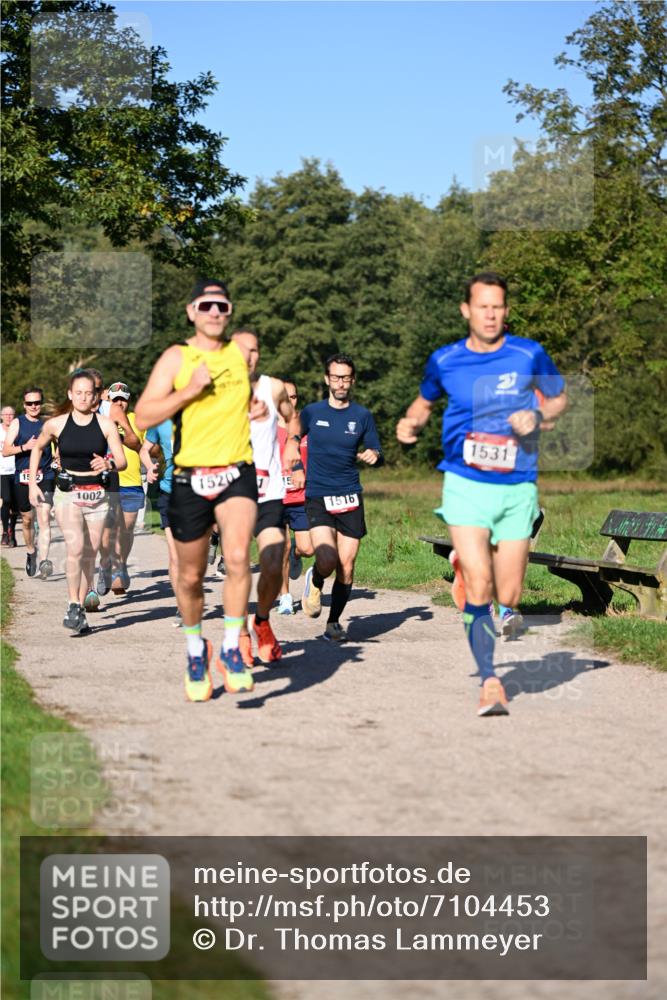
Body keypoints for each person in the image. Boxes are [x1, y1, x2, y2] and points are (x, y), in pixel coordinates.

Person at [396, 272, 567, 717]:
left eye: (498, 307)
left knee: (507, 594)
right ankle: (490, 681)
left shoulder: (528, 353)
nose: (490, 314)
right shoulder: (446, 359)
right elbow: (423, 401)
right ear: (466, 310)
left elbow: (558, 398)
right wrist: (410, 423)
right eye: (482, 306)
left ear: (505, 311)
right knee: (480, 586)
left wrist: (537, 414)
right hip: (465, 483)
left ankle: (473, 565)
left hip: (516, 487)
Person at [134, 278, 269, 702]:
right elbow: (142, 415)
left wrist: (254, 406)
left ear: (230, 312)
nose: (215, 312)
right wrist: (189, 390)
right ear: (192, 311)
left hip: (236, 470)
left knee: (235, 558)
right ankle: (197, 648)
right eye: (207, 306)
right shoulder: (177, 357)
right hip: (191, 476)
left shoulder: (238, 351)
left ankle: (232, 647)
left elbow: (245, 396)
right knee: (190, 578)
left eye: (222, 306)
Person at [28, 369, 126, 632]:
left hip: (97, 494)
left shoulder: (105, 424)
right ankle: (72, 604)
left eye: (88, 393)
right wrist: (33, 484)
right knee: (75, 548)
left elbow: (122, 461)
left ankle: (80, 608)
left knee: (89, 555)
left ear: (95, 397)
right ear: (71, 395)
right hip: (68, 492)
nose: (83, 398)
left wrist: (107, 463)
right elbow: (37, 448)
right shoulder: (56, 424)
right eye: (78, 393)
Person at [298, 353, 383, 641]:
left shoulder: (362, 416)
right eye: (336, 377)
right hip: (319, 494)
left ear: (352, 380)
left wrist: (374, 454)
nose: (341, 382)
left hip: (350, 496)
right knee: (327, 557)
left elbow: (374, 448)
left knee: (347, 565)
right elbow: (291, 440)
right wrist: (295, 465)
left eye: (346, 377)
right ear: (327, 379)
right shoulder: (311, 412)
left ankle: (333, 622)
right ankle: (317, 578)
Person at [231, 331, 301, 665]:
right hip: (230, 493)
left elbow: (292, 417)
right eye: (241, 350)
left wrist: (291, 442)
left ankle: (261, 620)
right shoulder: (212, 391)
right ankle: (241, 633)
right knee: (238, 566)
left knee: (273, 562)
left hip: (268, 491)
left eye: (254, 350)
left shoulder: (272, 388)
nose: (249, 356)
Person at [2, 387, 56, 578]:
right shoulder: (18, 423)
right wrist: (25, 446)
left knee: (44, 520)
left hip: (46, 476)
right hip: (22, 477)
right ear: (24, 405)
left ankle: (44, 561)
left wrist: (59, 458)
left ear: (41, 403)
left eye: (37, 402)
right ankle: (32, 552)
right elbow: (6, 450)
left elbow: (58, 446)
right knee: (27, 520)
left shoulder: (48, 424)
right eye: (30, 403)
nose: (34, 406)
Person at [95, 380, 142, 597]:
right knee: (107, 532)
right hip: (108, 482)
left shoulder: (136, 420)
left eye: (124, 398)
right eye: (116, 399)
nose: (120, 402)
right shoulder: (101, 419)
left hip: (132, 481)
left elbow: (139, 445)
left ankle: (120, 565)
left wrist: (120, 433)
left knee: (127, 529)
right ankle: (106, 565)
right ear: (109, 400)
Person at [276, 379, 313, 615]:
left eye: (294, 397)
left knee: (307, 548)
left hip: (302, 497)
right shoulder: (265, 426)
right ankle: (285, 597)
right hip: (275, 497)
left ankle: (295, 555)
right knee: (282, 545)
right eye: (285, 397)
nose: (290, 401)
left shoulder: (306, 425)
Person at [139, 418, 180, 625]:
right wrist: (149, 468)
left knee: (193, 557)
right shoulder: (161, 420)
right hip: (169, 491)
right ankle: (183, 605)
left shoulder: (204, 413)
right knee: (175, 555)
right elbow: (144, 449)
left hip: (199, 493)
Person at [0, 405, 18, 547]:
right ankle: (5, 532)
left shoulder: (18, 430)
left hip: (17, 470)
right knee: (6, 500)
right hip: (2, 471)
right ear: (1, 416)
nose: (8, 417)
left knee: (15, 504)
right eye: (5, 414)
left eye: (11, 414)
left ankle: (12, 531)